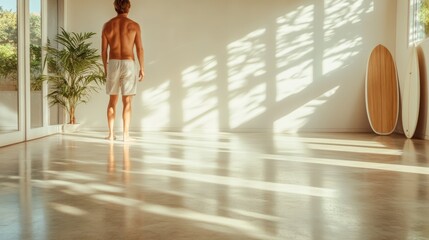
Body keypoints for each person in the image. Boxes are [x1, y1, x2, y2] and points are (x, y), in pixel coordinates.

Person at [102, 0, 144, 141]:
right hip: (129, 63)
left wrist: (105, 67)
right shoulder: (134, 26)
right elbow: (139, 49)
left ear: (115, 7)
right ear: (129, 7)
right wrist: (142, 68)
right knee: (127, 101)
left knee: (112, 100)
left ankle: (111, 134)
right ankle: (126, 135)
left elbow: (103, 51)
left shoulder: (107, 25)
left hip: (113, 63)